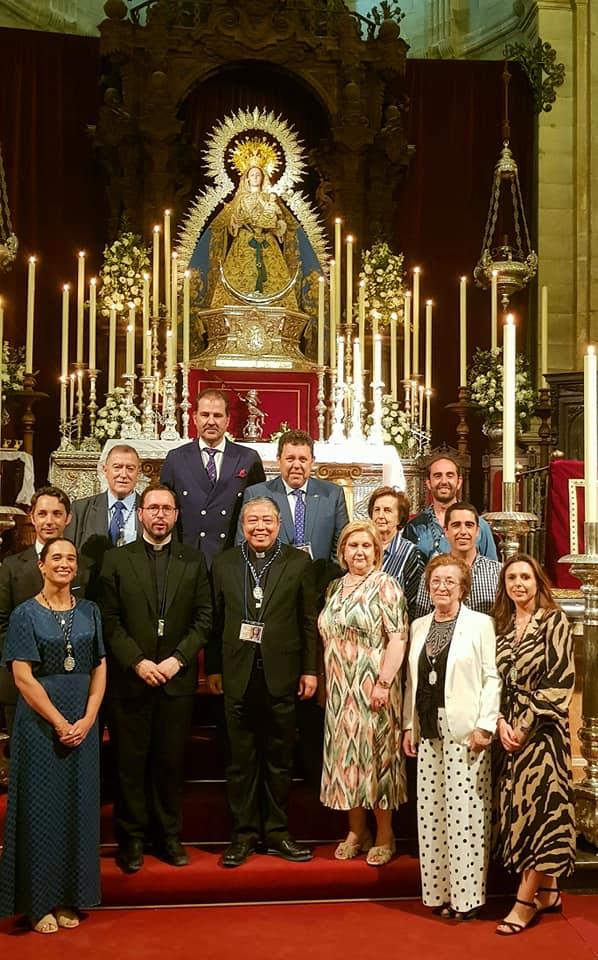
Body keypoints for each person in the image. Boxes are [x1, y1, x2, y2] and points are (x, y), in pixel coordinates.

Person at [98, 484, 212, 873]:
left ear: (176, 515)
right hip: (131, 680)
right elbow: (108, 620)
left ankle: (167, 836)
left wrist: (178, 660)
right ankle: (131, 840)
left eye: (167, 508)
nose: (160, 515)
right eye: (153, 508)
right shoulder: (116, 560)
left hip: (175, 680)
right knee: (130, 764)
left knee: (170, 763)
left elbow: (204, 617)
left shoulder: (193, 560)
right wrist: (137, 662)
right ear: (140, 513)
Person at [0, 537, 106, 933]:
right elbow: (22, 677)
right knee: (40, 811)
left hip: (83, 724)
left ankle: (68, 898)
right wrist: (60, 723)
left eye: (70, 558)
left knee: (77, 810)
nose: (64, 563)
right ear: (41, 565)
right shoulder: (24, 614)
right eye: (56, 557)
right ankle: (37, 902)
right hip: (40, 726)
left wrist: (89, 717)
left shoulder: (90, 611)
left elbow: (99, 666)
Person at [207, 496, 318, 867]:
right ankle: (243, 835)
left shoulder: (298, 562)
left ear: (279, 524)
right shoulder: (224, 563)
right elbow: (216, 620)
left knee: (278, 760)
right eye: (253, 520)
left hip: (281, 674)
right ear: (242, 526)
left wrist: (309, 669)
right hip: (237, 675)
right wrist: (214, 669)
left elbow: (307, 621)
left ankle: (277, 832)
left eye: (267, 520)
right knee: (240, 761)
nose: (260, 527)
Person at [403, 554, 500, 921]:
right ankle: (440, 893)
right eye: (436, 581)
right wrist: (409, 725)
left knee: (465, 815)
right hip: (428, 727)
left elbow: (492, 677)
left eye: (449, 581)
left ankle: (467, 899)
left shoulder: (480, 624)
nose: (441, 587)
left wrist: (485, 724)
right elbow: (412, 681)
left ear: (463, 588)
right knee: (431, 814)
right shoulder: (419, 625)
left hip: (465, 730)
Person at [491, 554, 576, 936]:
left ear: (538, 581)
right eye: (511, 578)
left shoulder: (554, 621)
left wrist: (523, 727)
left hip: (543, 733)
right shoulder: (502, 627)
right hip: (508, 733)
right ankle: (550, 892)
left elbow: (560, 680)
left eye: (525, 577)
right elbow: (493, 682)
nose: (518, 584)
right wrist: (500, 722)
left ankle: (524, 903)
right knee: (522, 814)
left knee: (542, 814)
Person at [319, 520, 408, 866]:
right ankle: (357, 831)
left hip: (374, 688)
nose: (359, 552)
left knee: (377, 759)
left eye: (366, 546)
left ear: (376, 552)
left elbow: (398, 638)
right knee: (347, 760)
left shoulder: (386, 585)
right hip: (340, 691)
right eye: (352, 545)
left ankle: (385, 833)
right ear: (342, 552)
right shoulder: (334, 587)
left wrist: (384, 683)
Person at [0, 486, 92, 737]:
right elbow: (2, 624)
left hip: (72, 683)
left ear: (68, 518)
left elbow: (91, 623)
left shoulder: (85, 567)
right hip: (22, 683)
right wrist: (25, 665)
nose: (49, 521)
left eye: (56, 513)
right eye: (42, 514)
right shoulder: (11, 566)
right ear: (32, 517)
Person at [161, 388, 266, 566]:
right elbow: (166, 510)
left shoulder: (248, 458)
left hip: (232, 558)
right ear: (194, 418)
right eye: (205, 415)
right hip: (186, 558)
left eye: (217, 415)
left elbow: (259, 509)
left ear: (227, 420)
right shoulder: (176, 458)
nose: (211, 422)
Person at [241, 429, 349, 561]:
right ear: (279, 460)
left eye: (303, 459)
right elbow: (244, 545)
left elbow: (342, 546)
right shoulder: (256, 494)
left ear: (312, 461)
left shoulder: (332, 495)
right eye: (290, 459)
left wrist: (328, 574)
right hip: (271, 573)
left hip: (320, 573)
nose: (296, 465)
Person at [210, 163, 299, 309]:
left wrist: (277, 226)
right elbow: (231, 222)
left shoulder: (270, 198)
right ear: (247, 179)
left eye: (258, 175)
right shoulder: (240, 199)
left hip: (267, 241)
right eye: (252, 175)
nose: (255, 177)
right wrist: (236, 223)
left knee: (272, 276)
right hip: (244, 241)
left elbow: (281, 220)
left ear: (263, 178)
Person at [65, 443, 142, 594]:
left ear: (138, 473)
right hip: (91, 592)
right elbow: (69, 555)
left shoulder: (149, 510)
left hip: (137, 592)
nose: (123, 474)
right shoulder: (80, 509)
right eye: (117, 467)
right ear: (105, 470)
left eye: (130, 468)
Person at [413, 501, 501, 618]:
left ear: (477, 531)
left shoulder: (498, 572)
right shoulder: (432, 574)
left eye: (469, 525)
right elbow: (421, 622)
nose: (463, 532)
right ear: (446, 531)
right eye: (456, 525)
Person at [403, 454, 498, 561]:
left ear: (459, 482)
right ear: (428, 483)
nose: (444, 481)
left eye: (450, 475)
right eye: (438, 476)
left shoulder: (480, 526)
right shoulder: (415, 527)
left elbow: (492, 568)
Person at [367, 486, 424, 620]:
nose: (380, 516)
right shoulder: (363, 548)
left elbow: (414, 603)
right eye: (377, 510)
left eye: (387, 510)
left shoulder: (410, 553)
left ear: (399, 518)